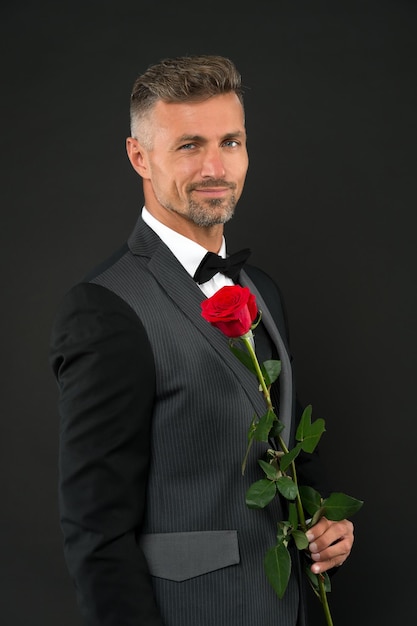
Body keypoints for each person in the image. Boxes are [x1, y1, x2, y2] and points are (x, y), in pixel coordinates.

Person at [49, 54, 355, 626]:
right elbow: (95, 537)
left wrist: (321, 526)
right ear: (140, 156)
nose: (216, 166)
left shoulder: (261, 290)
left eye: (231, 142)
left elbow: (271, 451)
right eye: (189, 145)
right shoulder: (104, 309)